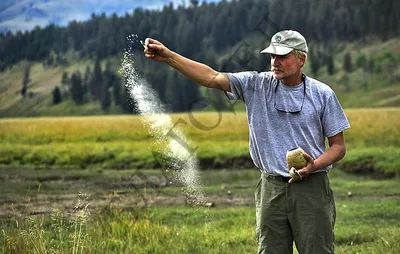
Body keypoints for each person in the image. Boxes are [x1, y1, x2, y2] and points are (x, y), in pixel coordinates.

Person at [144, 30, 350, 254]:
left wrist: (315, 166)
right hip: (271, 188)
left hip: (312, 188)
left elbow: (338, 147)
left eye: (283, 56)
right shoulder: (255, 85)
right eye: (272, 56)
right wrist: (169, 57)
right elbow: (212, 77)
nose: (275, 62)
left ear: (301, 59)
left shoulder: (322, 94)